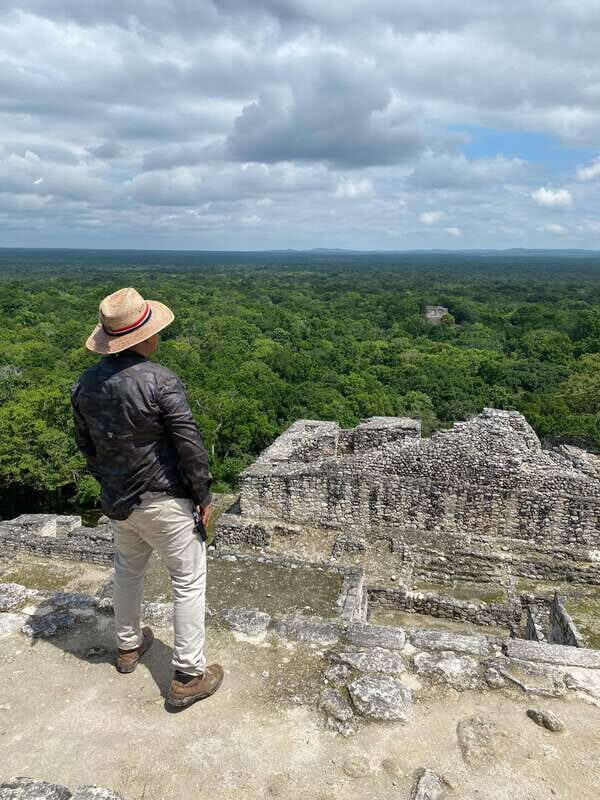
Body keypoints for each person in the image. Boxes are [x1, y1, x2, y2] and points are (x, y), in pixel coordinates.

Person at [71, 286, 223, 709]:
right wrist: (203, 495)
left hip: (119, 500)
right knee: (187, 581)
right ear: (144, 336)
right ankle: (189, 674)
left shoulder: (85, 383)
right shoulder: (160, 380)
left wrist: (111, 482)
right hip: (164, 498)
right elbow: (189, 444)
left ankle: (127, 646)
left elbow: (86, 445)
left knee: (127, 572)